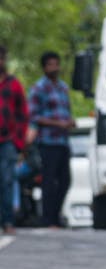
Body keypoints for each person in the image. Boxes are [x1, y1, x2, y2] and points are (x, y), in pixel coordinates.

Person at [29, 51, 74, 229]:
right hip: (48, 142)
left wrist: (69, 122)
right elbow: (33, 116)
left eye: (56, 64)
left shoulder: (62, 87)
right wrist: (57, 123)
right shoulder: (38, 88)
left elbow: (66, 111)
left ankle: (56, 216)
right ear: (44, 67)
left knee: (65, 181)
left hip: (63, 141)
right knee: (48, 181)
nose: (54, 68)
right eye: (50, 65)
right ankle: (48, 219)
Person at [0, 44, 30, 235]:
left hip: (7, 141)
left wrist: (19, 141)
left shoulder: (14, 84)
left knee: (7, 180)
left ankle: (8, 220)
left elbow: (23, 114)